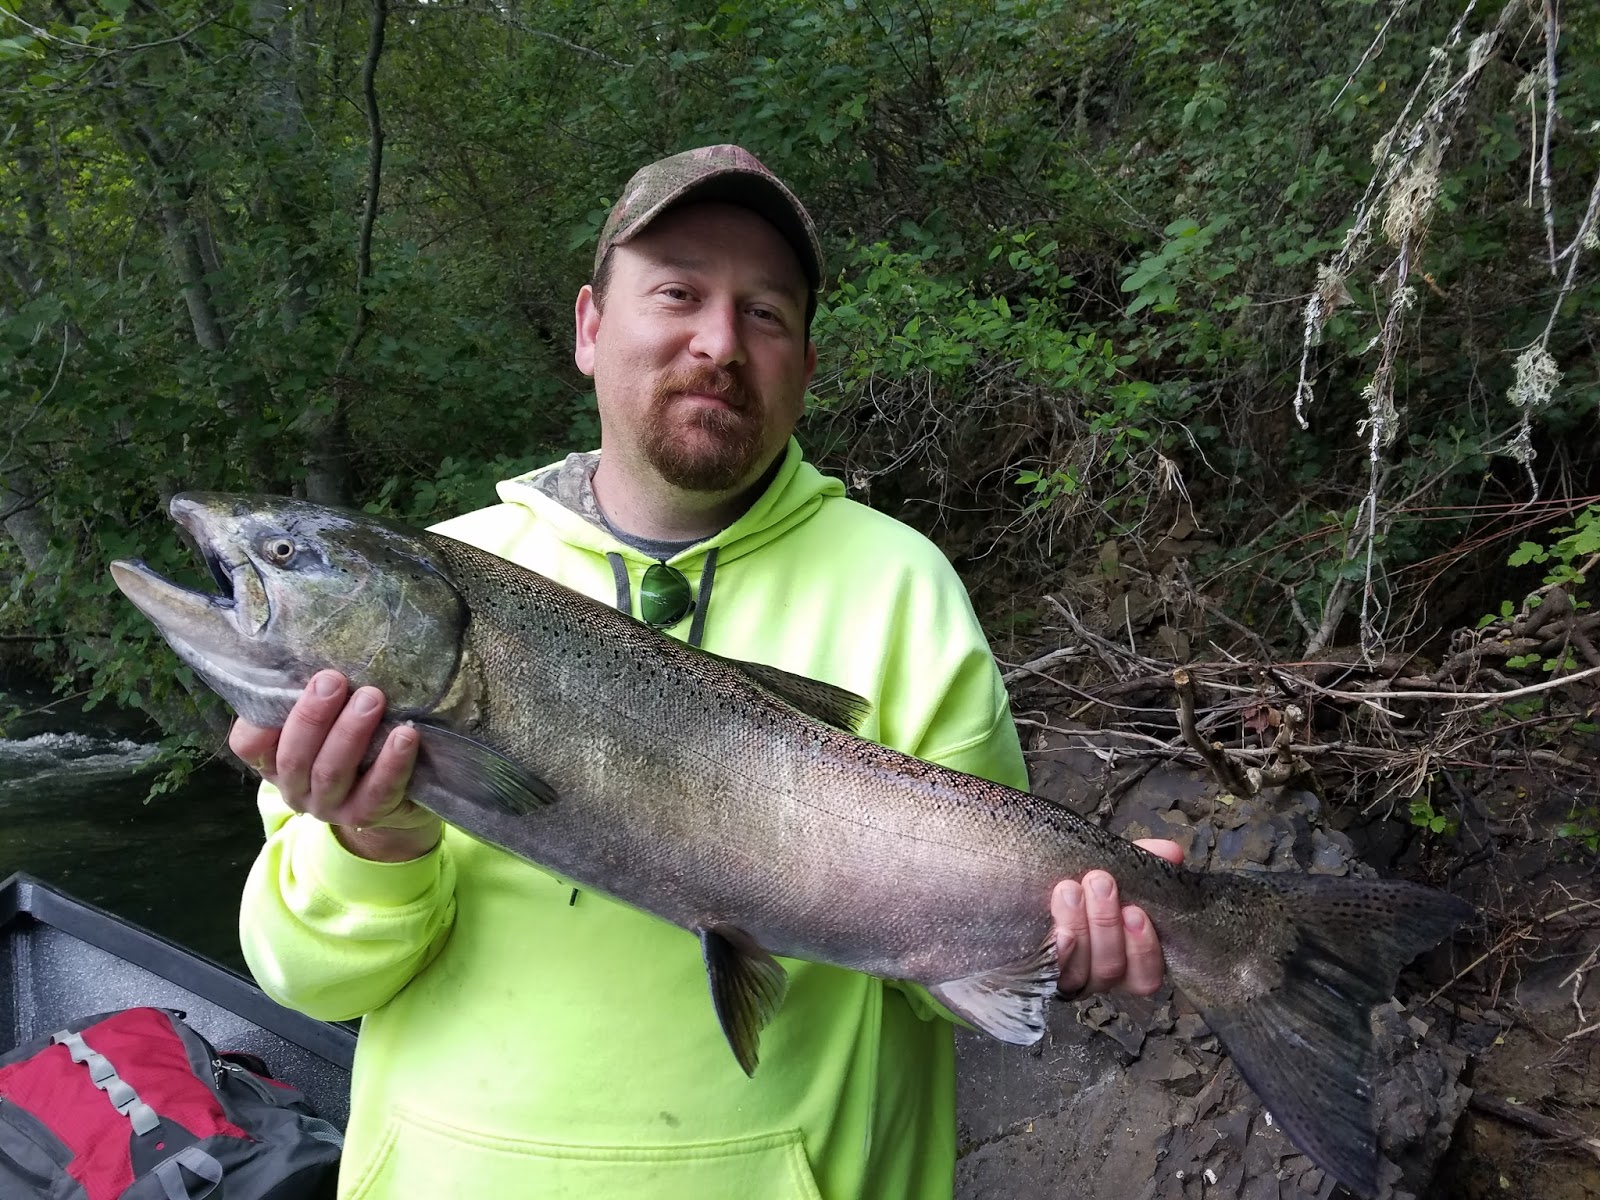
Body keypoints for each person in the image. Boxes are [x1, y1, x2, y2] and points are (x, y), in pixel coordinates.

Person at [232, 144, 1182, 1199]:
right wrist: (373, 839)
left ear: (805, 365)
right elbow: (309, 980)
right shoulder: (415, 593)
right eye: (677, 292)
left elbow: (936, 987)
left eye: (764, 313)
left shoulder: (902, 587)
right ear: (591, 326)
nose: (719, 342)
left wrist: (1063, 936)